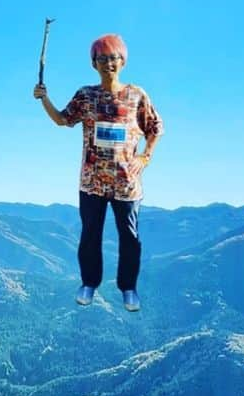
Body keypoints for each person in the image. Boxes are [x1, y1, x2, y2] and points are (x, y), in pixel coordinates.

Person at [33, 33, 163, 311]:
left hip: (126, 183)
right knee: (90, 234)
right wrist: (44, 99)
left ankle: (128, 288)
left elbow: (156, 128)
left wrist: (146, 156)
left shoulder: (136, 96)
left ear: (123, 61)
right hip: (92, 182)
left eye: (113, 57)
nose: (108, 63)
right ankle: (89, 283)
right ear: (94, 64)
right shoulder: (86, 95)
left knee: (129, 237)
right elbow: (62, 120)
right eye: (102, 58)